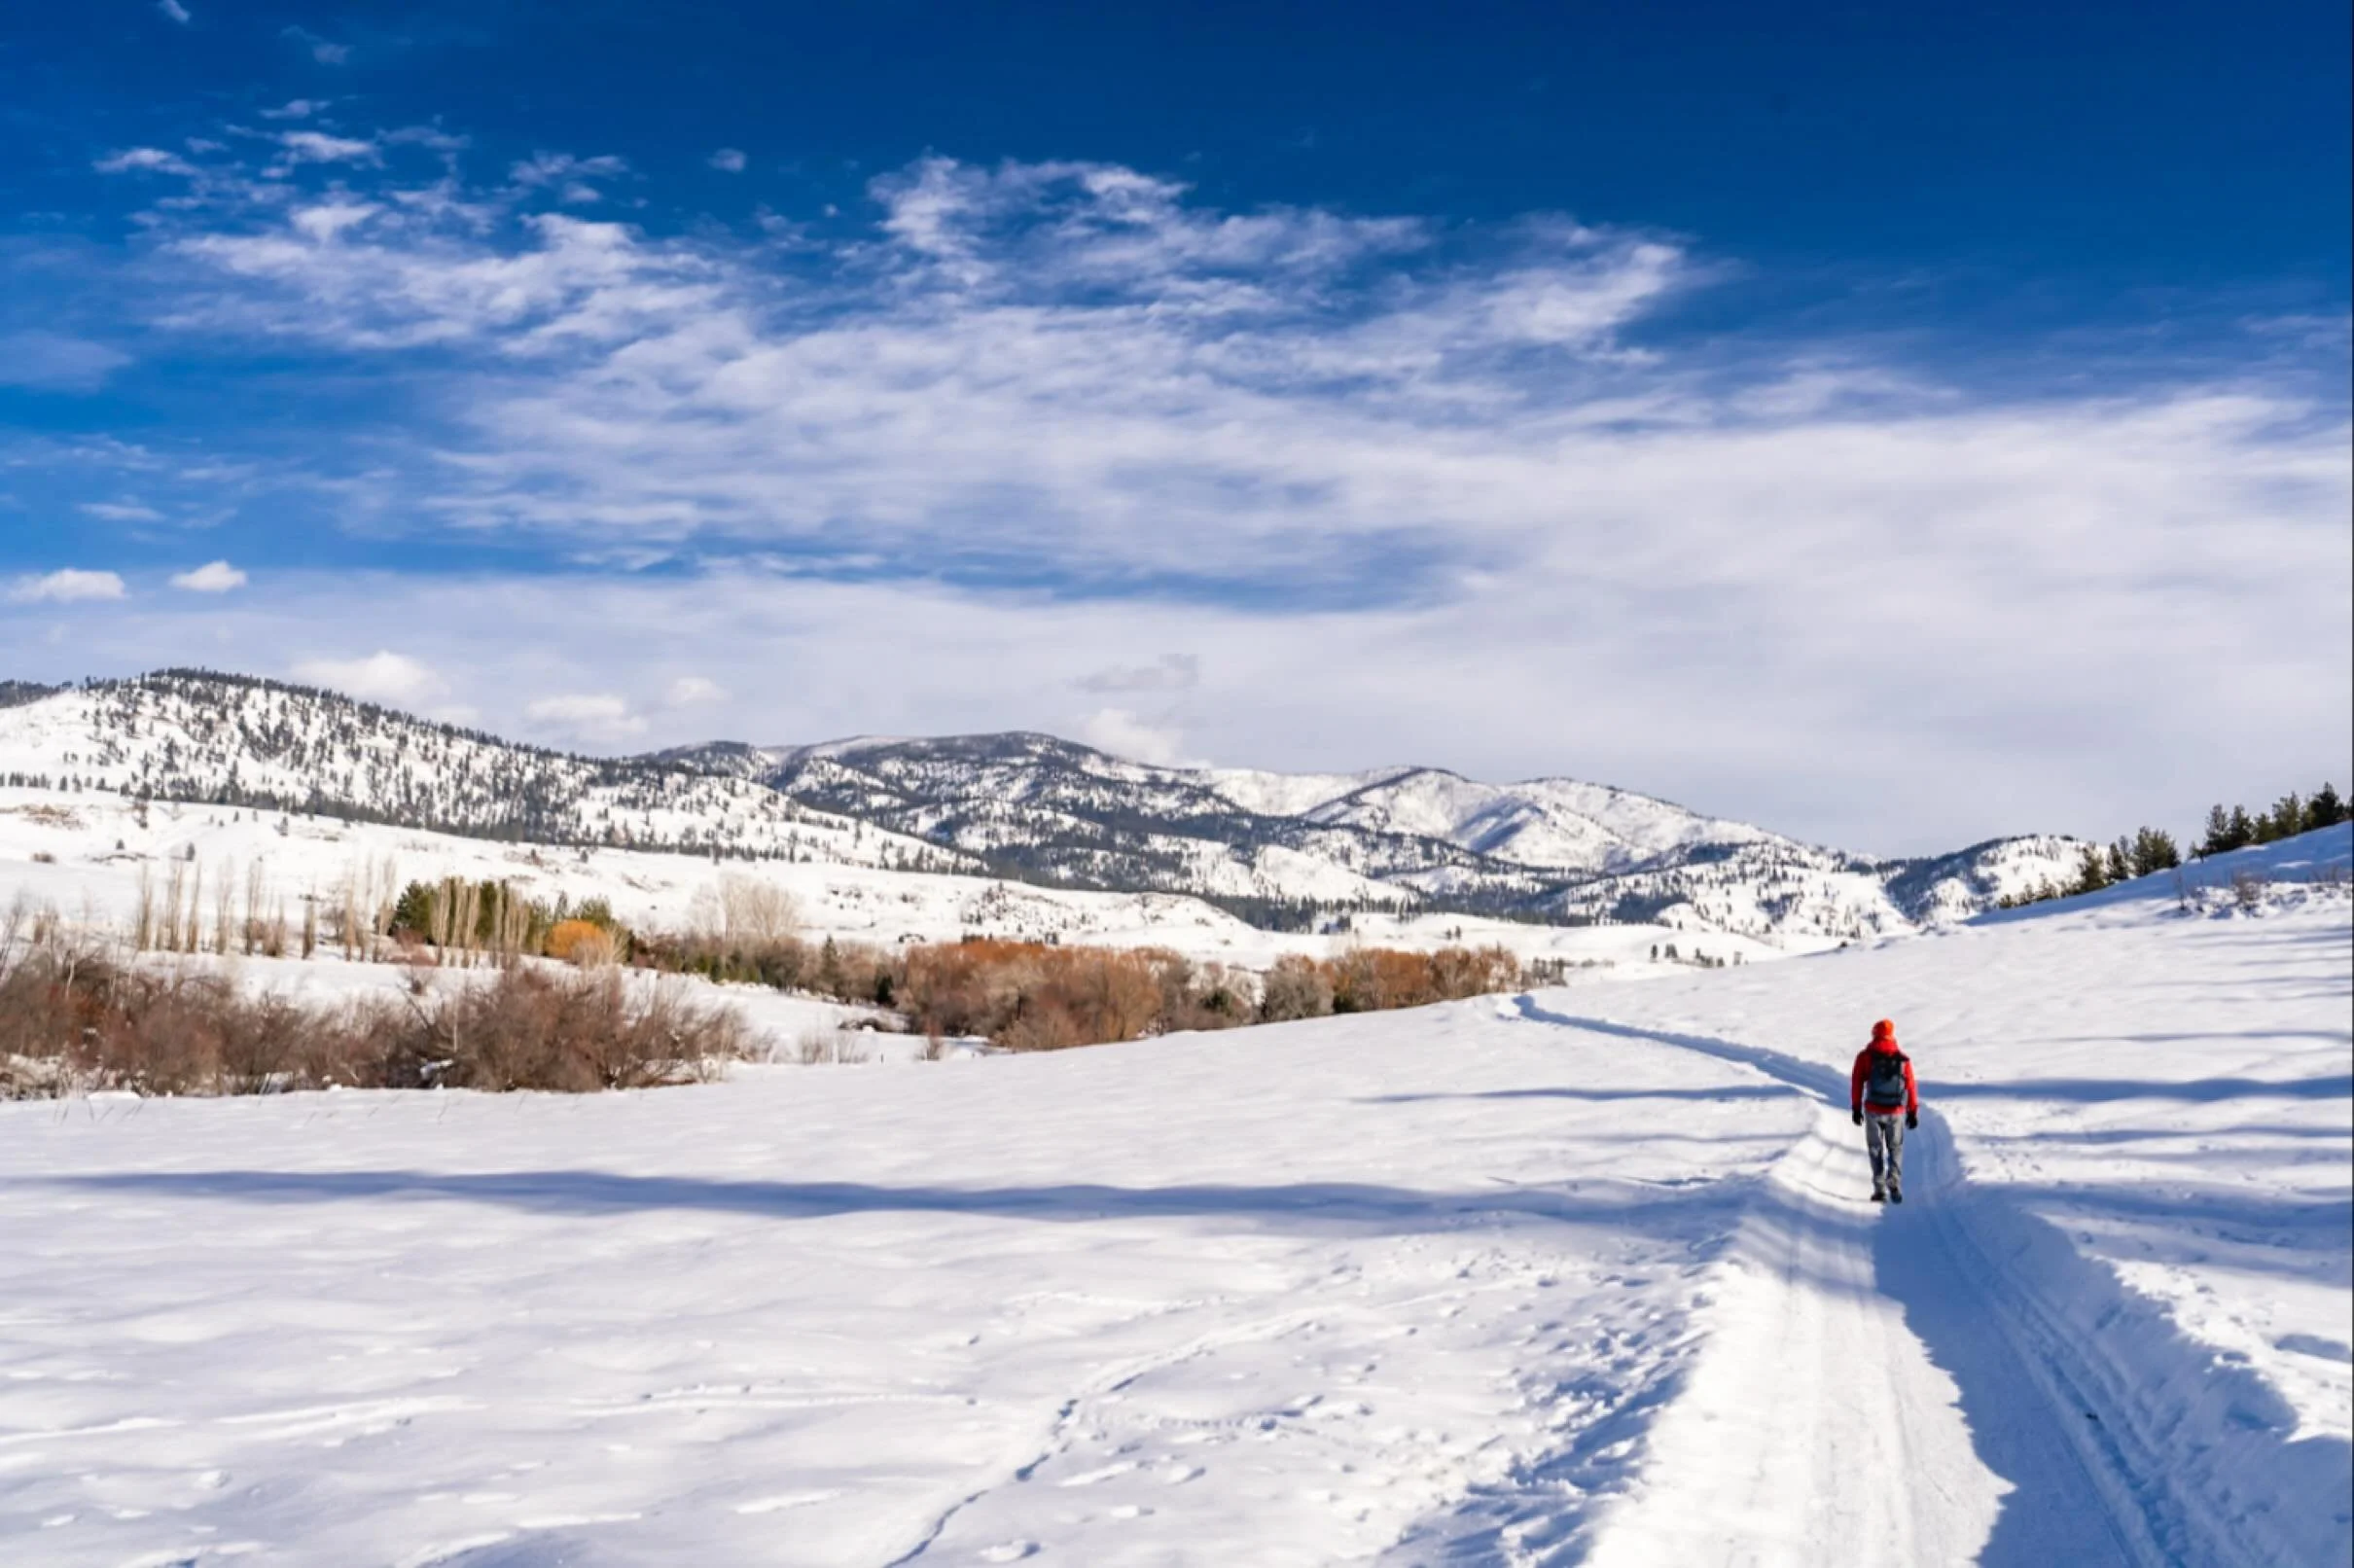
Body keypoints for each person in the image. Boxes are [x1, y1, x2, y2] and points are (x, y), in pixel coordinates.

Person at [1849, 1018, 1919, 1203]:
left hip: (1873, 1109)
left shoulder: (1865, 1056)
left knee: (1875, 1148)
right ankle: (1894, 1181)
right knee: (1895, 1147)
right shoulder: (1902, 1059)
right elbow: (1911, 1085)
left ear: (1874, 1034)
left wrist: (1856, 1107)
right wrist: (1912, 1110)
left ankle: (1879, 1189)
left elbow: (1857, 1082)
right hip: (1896, 1110)